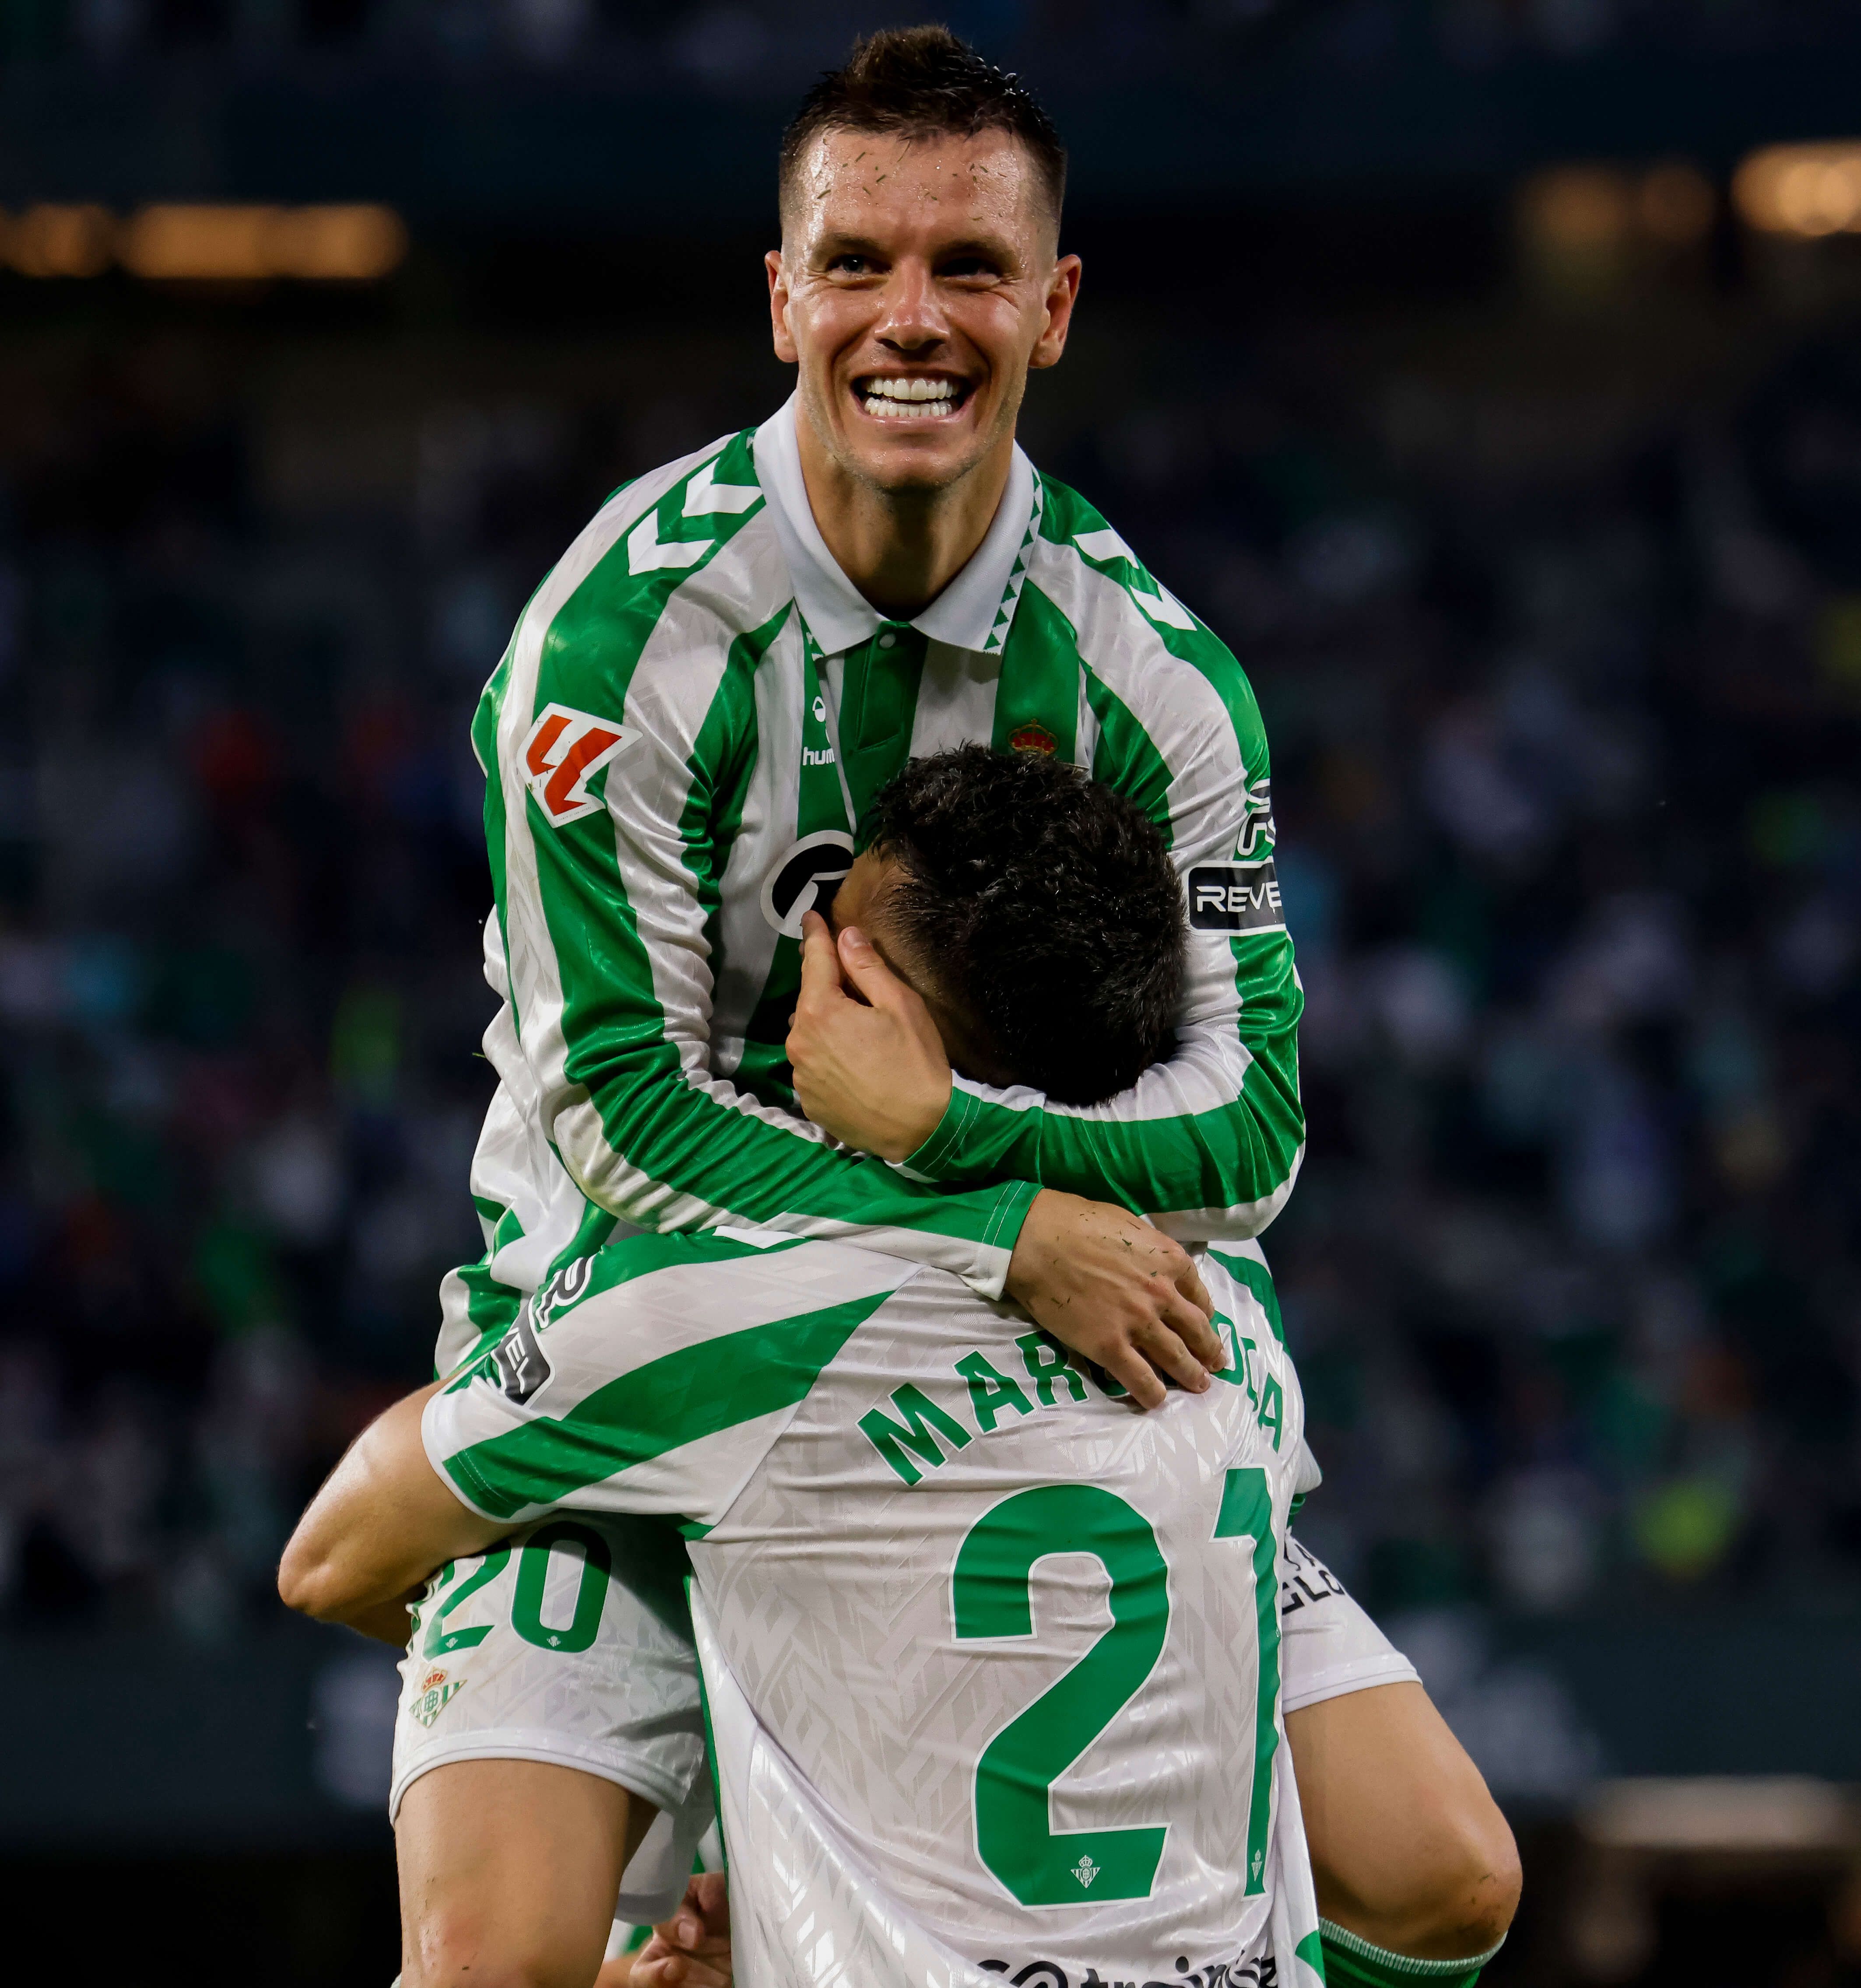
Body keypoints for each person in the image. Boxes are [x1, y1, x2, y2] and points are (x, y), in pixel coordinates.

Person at [432, 19, 1517, 1984]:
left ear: (1055, 304)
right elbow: (612, 1114)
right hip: (653, 1364)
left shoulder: (1162, 680)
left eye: (967, 268)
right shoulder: (613, 642)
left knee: (1447, 1877)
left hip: (1025, 1371)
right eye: (855, 262)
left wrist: (955, 1143)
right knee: (491, 1958)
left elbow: (1253, 1123)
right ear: (781, 296)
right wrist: (1001, 1223)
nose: (907, 317)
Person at [290, 748, 1515, 1987]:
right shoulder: (1224, 1303)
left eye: (836, 936)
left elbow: (333, 1555)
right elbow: (1456, 1883)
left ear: (891, 1028)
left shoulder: (726, 1315)